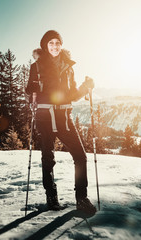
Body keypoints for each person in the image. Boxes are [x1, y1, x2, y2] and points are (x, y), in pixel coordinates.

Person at [25, 30, 96, 215]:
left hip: (64, 118)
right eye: (51, 43)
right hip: (45, 117)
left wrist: (84, 87)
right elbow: (30, 91)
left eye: (57, 43)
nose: (55, 46)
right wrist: (30, 90)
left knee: (80, 156)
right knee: (48, 159)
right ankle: (51, 196)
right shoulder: (37, 66)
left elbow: (71, 94)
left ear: (61, 45)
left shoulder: (68, 67)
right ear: (45, 46)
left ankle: (82, 198)